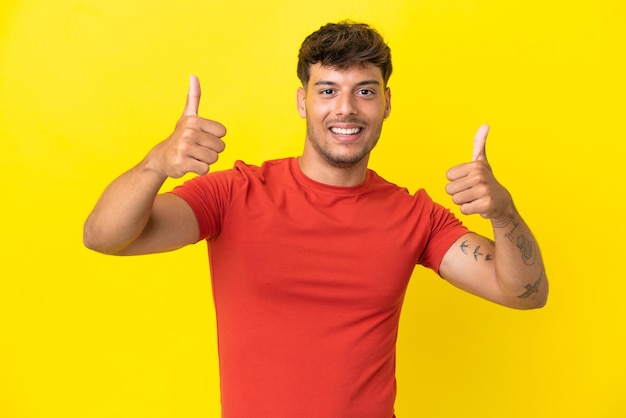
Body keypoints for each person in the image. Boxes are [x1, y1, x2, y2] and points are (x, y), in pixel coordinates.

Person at [84, 21, 548, 418]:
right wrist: (155, 165)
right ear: (303, 102)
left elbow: (523, 292)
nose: (345, 108)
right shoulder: (235, 194)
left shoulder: (415, 216)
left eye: (363, 92)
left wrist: (503, 214)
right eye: (328, 91)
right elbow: (105, 237)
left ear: (386, 103)